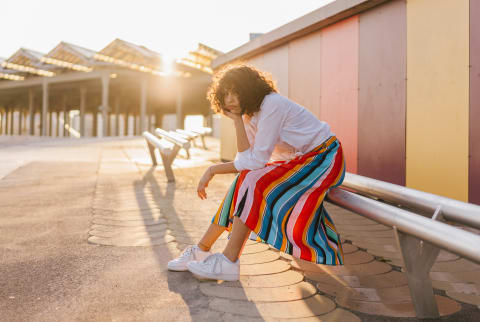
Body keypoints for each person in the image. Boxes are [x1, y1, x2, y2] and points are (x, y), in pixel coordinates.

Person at [167, 64, 345, 281]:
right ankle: (202, 249)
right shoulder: (249, 115)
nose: (230, 99)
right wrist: (237, 121)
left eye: (236, 91)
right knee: (245, 178)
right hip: (300, 161)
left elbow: (256, 162)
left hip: (324, 158)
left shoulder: (271, 104)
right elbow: (247, 160)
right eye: (226, 94)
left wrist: (213, 169)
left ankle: (229, 261)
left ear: (249, 88)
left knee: (251, 179)